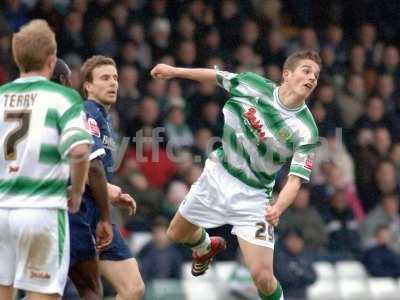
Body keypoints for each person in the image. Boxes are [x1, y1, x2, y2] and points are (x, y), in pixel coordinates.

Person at [150, 49, 321, 300]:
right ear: (287, 74)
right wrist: (176, 72)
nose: (312, 78)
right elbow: (216, 76)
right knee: (176, 234)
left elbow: (296, 180)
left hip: (254, 197)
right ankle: (204, 246)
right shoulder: (253, 84)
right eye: (306, 71)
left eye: (316, 75)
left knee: (262, 277)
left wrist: (278, 207)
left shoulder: (306, 129)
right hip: (218, 175)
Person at [0, 20, 91, 300]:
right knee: (44, 294)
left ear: (17, 60)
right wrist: (75, 192)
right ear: (51, 61)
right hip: (42, 210)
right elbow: (78, 150)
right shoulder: (62, 98)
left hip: (2, 209)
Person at [52, 56, 145, 299]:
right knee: (82, 290)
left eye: (115, 77)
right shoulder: (86, 112)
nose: (113, 83)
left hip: (95, 210)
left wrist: (108, 190)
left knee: (133, 288)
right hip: (78, 212)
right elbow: (86, 164)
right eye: (104, 78)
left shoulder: (103, 118)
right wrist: (107, 189)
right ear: (87, 86)